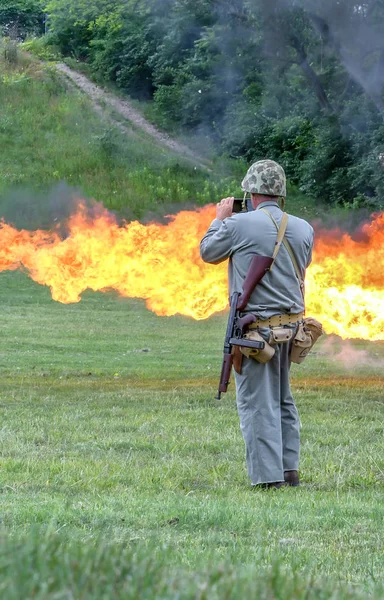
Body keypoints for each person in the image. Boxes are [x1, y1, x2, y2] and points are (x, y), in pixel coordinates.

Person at [200, 160, 314, 488]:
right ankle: (288, 469)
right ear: (281, 195)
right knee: (282, 399)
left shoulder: (239, 224)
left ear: (249, 192)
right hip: (291, 329)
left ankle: (267, 479)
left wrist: (219, 219)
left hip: (256, 333)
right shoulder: (304, 228)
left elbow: (208, 252)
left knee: (256, 402)